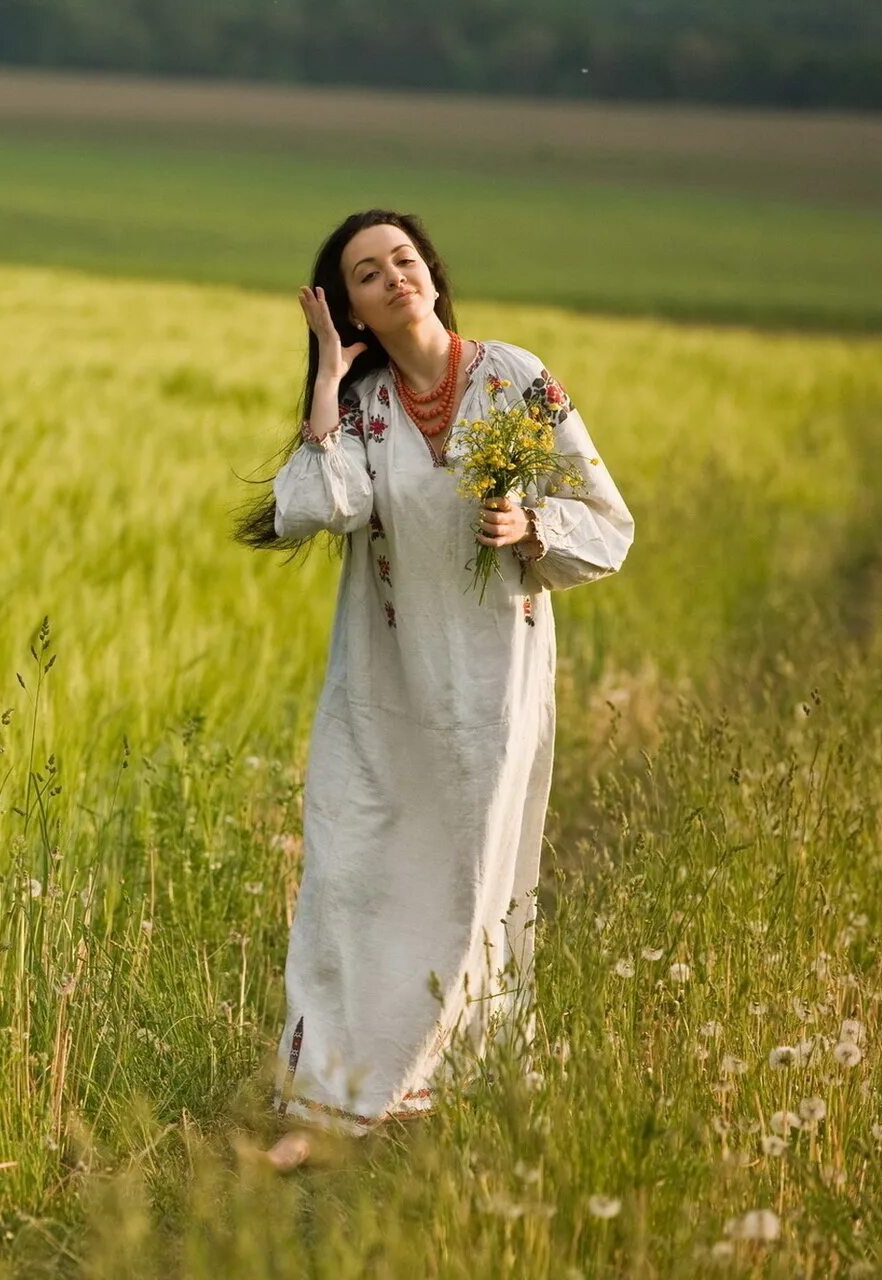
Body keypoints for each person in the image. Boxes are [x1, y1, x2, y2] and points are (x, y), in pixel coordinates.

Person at [230, 209, 635, 1166]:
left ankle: (429, 1076)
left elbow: (608, 525)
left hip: (490, 686)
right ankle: (333, 1090)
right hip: (381, 683)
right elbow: (319, 507)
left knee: (462, 881)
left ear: (432, 273)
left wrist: (530, 525)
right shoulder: (362, 403)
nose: (393, 277)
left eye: (403, 260)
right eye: (367, 273)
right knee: (352, 866)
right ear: (350, 305)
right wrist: (328, 378)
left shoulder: (517, 381)